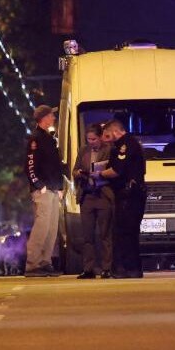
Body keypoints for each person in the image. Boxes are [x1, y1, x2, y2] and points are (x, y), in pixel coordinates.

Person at [100, 119, 146, 279]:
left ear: (114, 131)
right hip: (131, 194)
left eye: (107, 135)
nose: (106, 138)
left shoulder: (125, 144)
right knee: (129, 233)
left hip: (129, 194)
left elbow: (117, 170)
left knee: (125, 232)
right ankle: (132, 268)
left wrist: (98, 174)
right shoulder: (127, 143)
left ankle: (128, 268)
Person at [24, 105, 64, 277]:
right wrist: (39, 185)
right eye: (51, 116)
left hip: (53, 189)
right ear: (44, 118)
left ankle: (45, 261)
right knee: (42, 227)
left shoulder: (48, 138)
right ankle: (33, 263)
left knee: (52, 227)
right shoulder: (36, 139)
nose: (53, 118)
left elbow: (54, 165)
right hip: (44, 190)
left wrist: (60, 186)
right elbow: (30, 166)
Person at [72, 123, 112, 279]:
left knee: (105, 234)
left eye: (94, 139)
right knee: (87, 235)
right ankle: (88, 268)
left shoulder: (108, 150)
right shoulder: (83, 151)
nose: (91, 142)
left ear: (101, 137)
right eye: (88, 139)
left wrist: (100, 173)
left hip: (102, 195)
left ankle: (107, 268)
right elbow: (74, 169)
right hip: (87, 195)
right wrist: (78, 173)